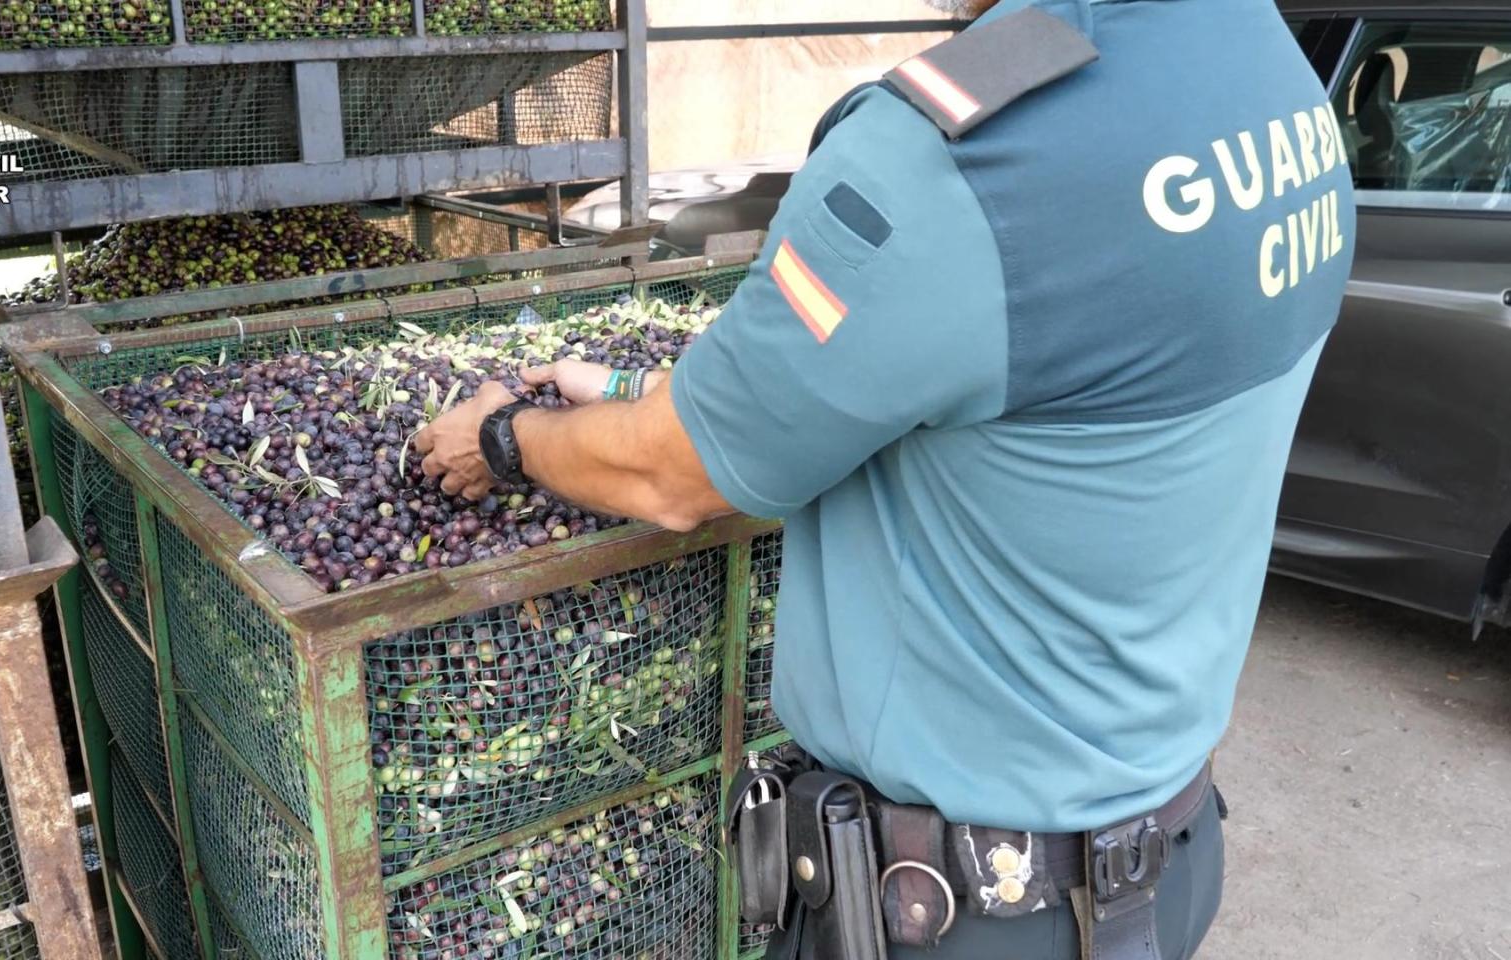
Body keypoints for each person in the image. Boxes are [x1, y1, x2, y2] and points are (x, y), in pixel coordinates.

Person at [416, 0, 1355, 955]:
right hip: (1168, 856)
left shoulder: (959, 156)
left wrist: (504, 436)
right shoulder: (1259, 63)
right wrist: (637, 386)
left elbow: (675, 476)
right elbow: (1032, 368)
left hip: (965, 914)